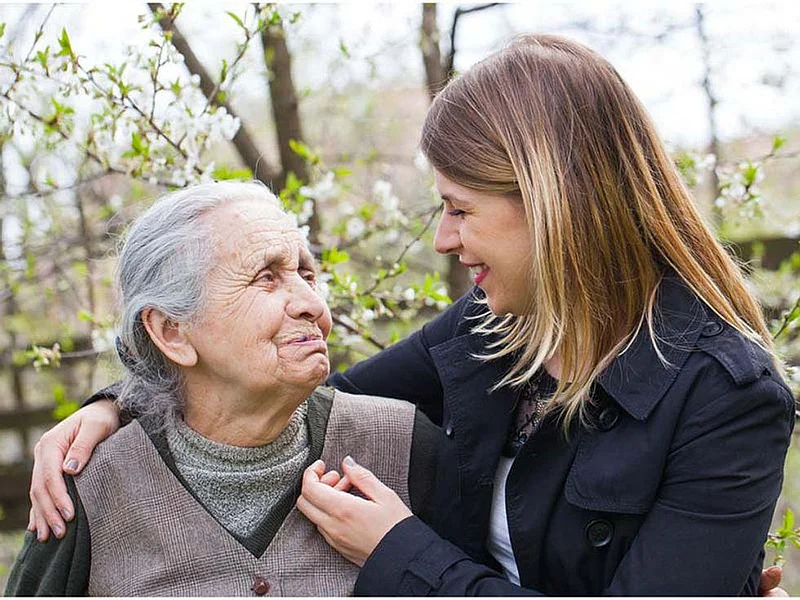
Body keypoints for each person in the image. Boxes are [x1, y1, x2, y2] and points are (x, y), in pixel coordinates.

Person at [22, 34, 794, 595]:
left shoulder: (725, 396)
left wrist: (400, 551)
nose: (444, 239)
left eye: (460, 208)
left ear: (554, 206)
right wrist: (121, 402)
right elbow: (295, 391)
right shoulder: (496, 330)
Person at [5, 182, 437, 596]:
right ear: (172, 332)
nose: (313, 303)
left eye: (307, 274)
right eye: (266, 278)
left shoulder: (406, 443)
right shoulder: (89, 486)